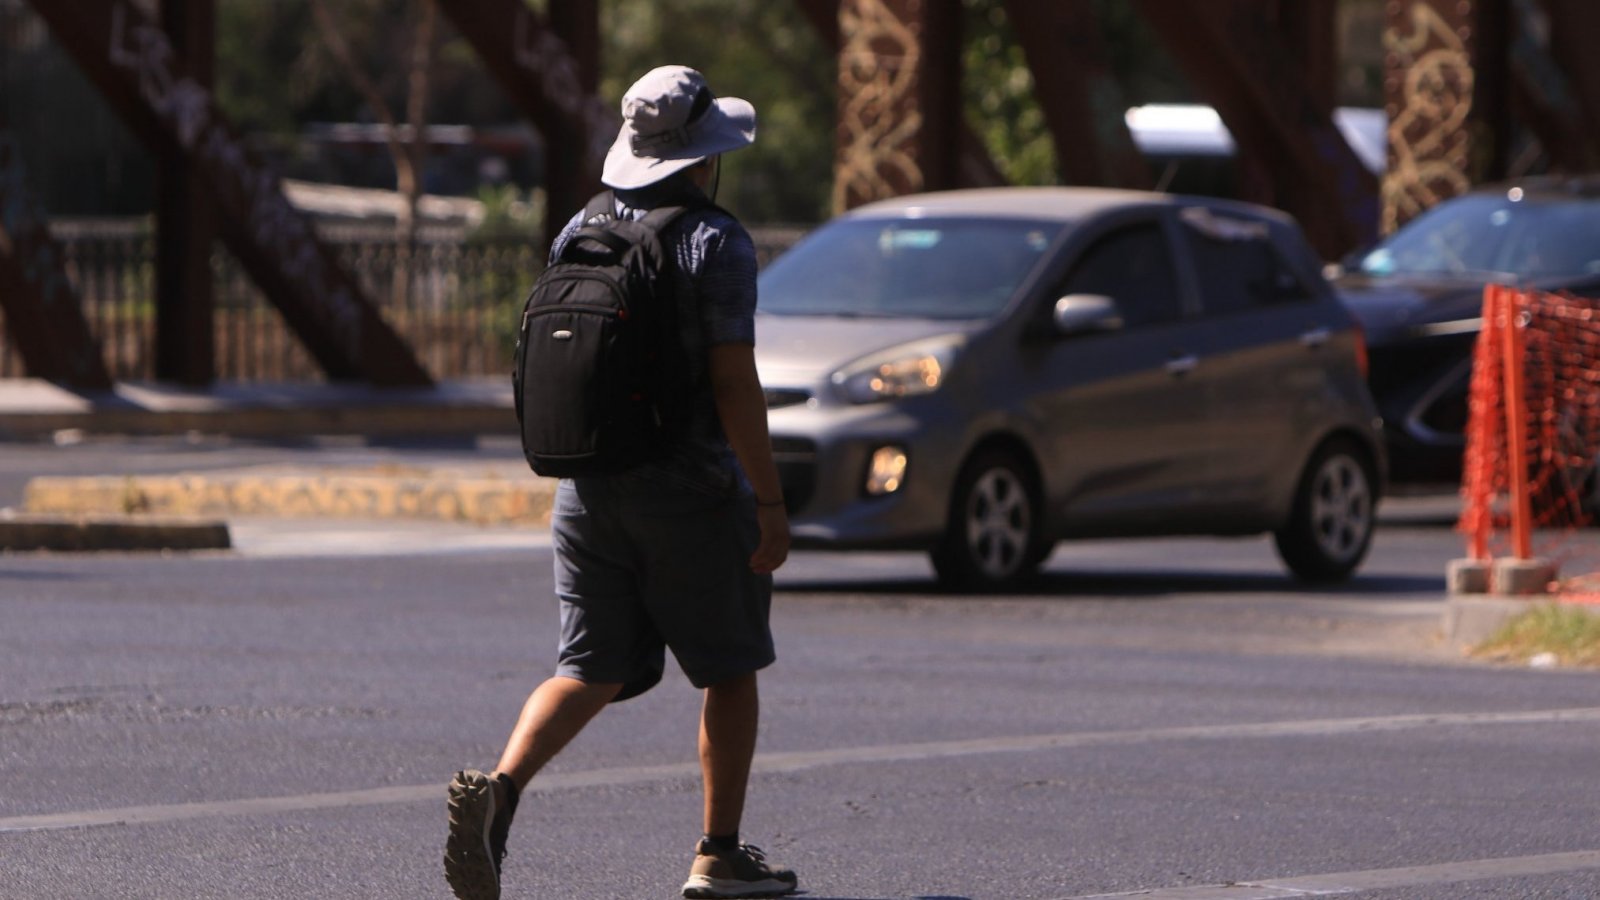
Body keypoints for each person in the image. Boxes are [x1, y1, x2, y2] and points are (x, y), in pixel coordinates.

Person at [444, 65, 798, 900]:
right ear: (706, 156)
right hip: (691, 490)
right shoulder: (717, 241)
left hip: (588, 486)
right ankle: (719, 853)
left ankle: (502, 791)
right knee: (729, 667)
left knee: (587, 665)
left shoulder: (581, 227)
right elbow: (732, 383)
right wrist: (771, 503)